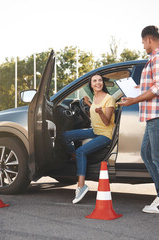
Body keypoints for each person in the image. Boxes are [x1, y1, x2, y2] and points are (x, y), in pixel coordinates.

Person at [118, 25, 159, 213]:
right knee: (146, 153)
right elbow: (154, 84)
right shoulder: (158, 57)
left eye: (143, 41)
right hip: (154, 115)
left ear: (149, 39)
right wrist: (136, 90)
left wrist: (134, 101)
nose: (143, 45)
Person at [63, 74, 115, 204]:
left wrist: (100, 112)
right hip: (95, 131)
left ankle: (81, 186)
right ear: (91, 84)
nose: (98, 83)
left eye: (100, 80)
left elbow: (107, 122)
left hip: (105, 135)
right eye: (95, 81)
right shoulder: (95, 97)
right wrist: (88, 103)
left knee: (82, 151)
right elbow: (94, 116)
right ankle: (76, 158)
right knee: (66, 136)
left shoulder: (109, 99)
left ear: (102, 83)